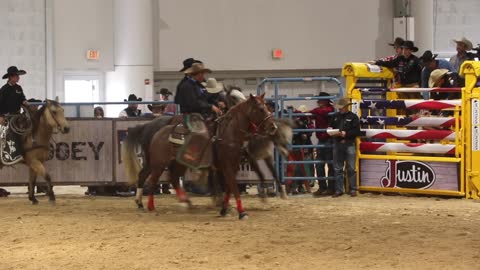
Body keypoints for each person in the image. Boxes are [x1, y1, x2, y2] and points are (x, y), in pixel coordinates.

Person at [329, 98, 362, 197]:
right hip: (339, 144)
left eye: (341, 107)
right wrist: (331, 131)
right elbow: (330, 127)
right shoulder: (335, 117)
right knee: (338, 168)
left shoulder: (353, 117)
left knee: (351, 168)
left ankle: (352, 189)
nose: (339, 109)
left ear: (346, 107)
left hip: (349, 144)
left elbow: (357, 132)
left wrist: (346, 134)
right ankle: (340, 189)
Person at [310, 92, 335, 196]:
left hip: (329, 139)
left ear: (325, 101)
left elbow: (325, 112)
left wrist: (315, 111)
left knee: (330, 164)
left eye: (321, 100)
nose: (319, 102)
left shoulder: (331, 110)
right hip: (322, 140)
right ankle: (323, 187)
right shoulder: (322, 111)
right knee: (319, 165)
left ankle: (330, 188)